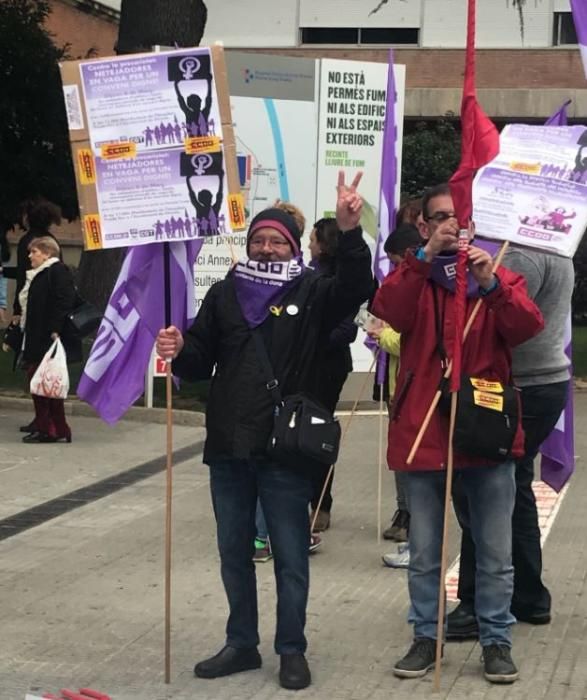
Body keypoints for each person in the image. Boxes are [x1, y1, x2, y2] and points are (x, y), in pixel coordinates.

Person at [156, 171, 372, 691]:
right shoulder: (226, 292)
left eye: (278, 241)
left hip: (284, 447)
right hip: (229, 444)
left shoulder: (313, 289)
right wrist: (179, 349)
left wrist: (348, 232)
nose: (268, 248)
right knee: (234, 551)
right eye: (259, 240)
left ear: (293, 246)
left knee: (291, 557)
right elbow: (202, 356)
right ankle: (242, 644)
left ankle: (291, 649)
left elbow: (355, 289)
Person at [371, 183, 544, 684]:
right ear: (424, 225)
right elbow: (390, 310)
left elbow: (527, 327)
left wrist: (492, 286)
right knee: (424, 551)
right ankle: (426, 635)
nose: (452, 224)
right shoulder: (415, 274)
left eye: (459, 217)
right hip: (424, 429)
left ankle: (496, 640)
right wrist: (423, 258)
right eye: (440, 217)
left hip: (483, 429)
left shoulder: (499, 273)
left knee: (493, 549)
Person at [448, 247, 574, 639]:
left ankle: (476, 602)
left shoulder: (521, 257)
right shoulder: (558, 252)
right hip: (544, 381)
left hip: (519, 383)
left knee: (482, 488)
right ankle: (528, 596)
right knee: (513, 488)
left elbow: (501, 320)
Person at [369, 223, 423, 568]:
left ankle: (419, 542)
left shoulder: (419, 287)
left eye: (393, 261)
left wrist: (381, 334)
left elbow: (411, 342)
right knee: (402, 464)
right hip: (399, 390)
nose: (391, 268)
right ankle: (409, 529)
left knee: (415, 468)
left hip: (413, 391)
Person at [307, 217, 359, 532]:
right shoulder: (305, 276)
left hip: (328, 367)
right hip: (301, 365)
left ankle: (321, 503)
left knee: (318, 433)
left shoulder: (341, 281)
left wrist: (309, 341)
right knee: (294, 431)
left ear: (323, 245)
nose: (308, 245)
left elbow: (346, 330)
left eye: (312, 239)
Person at [18, 236, 79, 443]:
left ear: (47, 253)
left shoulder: (56, 271)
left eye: (34, 252)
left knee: (45, 383)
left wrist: (55, 329)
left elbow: (64, 300)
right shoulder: (39, 274)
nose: (30, 256)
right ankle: (52, 426)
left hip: (47, 337)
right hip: (36, 335)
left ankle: (51, 429)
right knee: (40, 382)